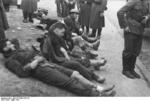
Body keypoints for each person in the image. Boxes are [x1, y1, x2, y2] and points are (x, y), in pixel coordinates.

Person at [2, 39, 115, 96]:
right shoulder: (9, 60)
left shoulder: (18, 50)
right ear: (3, 50)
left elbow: (34, 51)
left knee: (76, 74)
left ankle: (99, 89)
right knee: (69, 82)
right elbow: (21, 72)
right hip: (40, 70)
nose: (10, 44)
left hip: (47, 63)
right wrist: (35, 61)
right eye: (7, 45)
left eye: (9, 43)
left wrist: (37, 56)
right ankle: (98, 95)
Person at [40, 22, 107, 83]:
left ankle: (95, 66)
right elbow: (46, 55)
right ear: (56, 30)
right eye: (62, 32)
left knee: (79, 59)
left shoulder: (56, 37)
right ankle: (94, 76)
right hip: (57, 62)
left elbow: (63, 48)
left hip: (61, 58)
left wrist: (64, 52)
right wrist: (63, 53)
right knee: (76, 64)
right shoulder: (48, 40)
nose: (63, 34)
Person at [117, 0, 150, 79]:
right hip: (131, 29)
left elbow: (148, 13)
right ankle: (125, 70)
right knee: (128, 50)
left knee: (136, 51)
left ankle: (131, 69)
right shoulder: (133, 1)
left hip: (140, 29)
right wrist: (125, 26)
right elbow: (120, 12)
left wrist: (147, 17)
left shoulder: (146, 2)